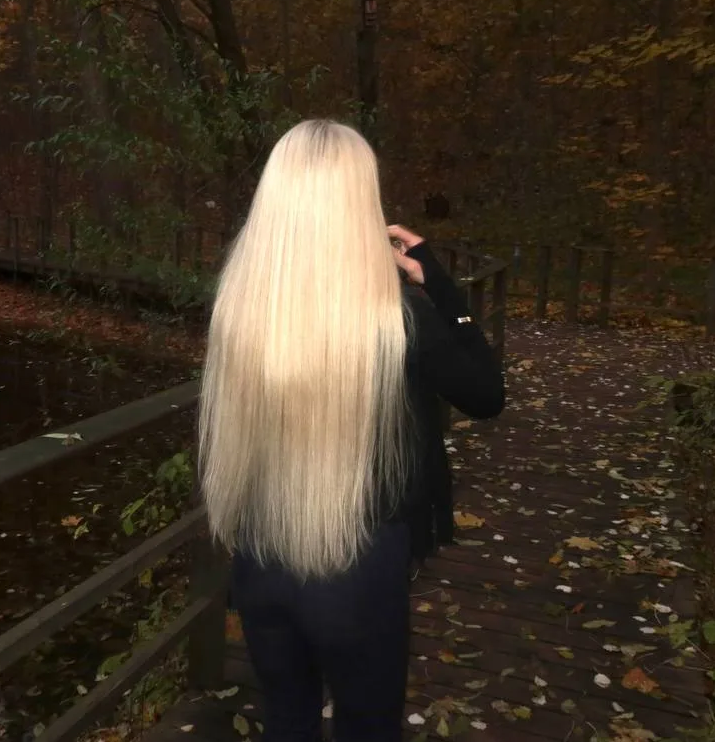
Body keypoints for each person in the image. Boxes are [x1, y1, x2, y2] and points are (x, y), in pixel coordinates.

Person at [197, 119, 506, 742]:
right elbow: (486, 396)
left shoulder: (239, 309)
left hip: (260, 556)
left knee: (287, 722)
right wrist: (439, 284)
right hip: (358, 566)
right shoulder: (397, 321)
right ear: (360, 206)